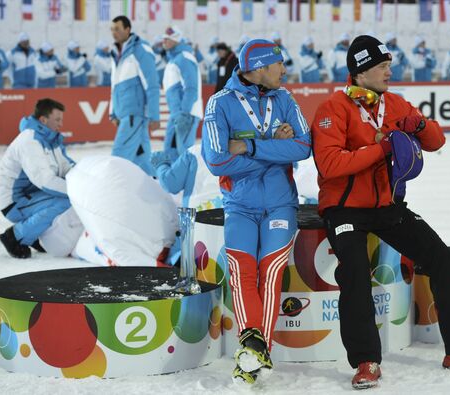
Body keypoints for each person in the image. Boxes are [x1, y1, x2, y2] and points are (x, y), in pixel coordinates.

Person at [311, 35, 450, 390]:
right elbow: (330, 164)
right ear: (361, 71)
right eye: (382, 67)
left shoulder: (395, 104)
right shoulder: (332, 109)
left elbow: (437, 141)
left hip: (388, 207)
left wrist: (419, 126)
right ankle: (366, 361)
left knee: (441, 258)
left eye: (388, 65)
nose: (389, 72)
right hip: (344, 208)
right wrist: (381, 148)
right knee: (354, 273)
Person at [201, 38, 311, 384]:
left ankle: (251, 347)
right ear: (261, 68)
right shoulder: (219, 103)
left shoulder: (285, 98)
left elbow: (304, 147)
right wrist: (276, 147)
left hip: (281, 203)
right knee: (242, 270)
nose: (284, 70)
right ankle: (255, 349)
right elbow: (217, 160)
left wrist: (249, 146)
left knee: (271, 268)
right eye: (279, 65)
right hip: (240, 206)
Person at [0, 98, 74, 259]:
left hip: (32, 195)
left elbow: (66, 167)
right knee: (65, 202)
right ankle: (15, 236)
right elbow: (44, 181)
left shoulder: (52, 140)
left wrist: (86, 178)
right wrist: (76, 191)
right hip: (14, 201)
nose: (61, 124)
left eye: (62, 119)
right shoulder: (30, 141)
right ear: (43, 120)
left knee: (66, 197)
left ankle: (33, 233)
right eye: (57, 119)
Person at [110, 15, 160, 176]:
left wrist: (154, 115)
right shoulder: (116, 53)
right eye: (112, 29)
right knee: (142, 160)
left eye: (117, 29)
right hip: (124, 114)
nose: (114, 32)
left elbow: (152, 85)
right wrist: (113, 112)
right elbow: (115, 87)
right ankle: (154, 187)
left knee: (119, 155)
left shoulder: (140, 50)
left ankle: (110, 190)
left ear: (127, 29)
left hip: (135, 115)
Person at [162, 26, 202, 161]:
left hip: (186, 114)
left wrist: (184, 113)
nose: (164, 41)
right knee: (170, 154)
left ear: (177, 39)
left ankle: (189, 182)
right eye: (163, 38)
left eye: (168, 38)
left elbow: (191, 88)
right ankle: (174, 182)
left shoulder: (184, 58)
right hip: (176, 114)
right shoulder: (173, 59)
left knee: (183, 155)